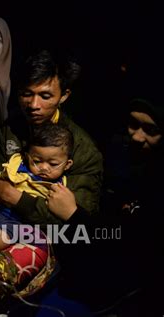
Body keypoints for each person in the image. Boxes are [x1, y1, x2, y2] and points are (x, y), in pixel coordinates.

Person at [0, 49, 103, 227]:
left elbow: (78, 221)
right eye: (26, 94)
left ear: (64, 96)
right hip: (0, 221)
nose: (33, 105)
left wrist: (13, 197)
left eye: (45, 96)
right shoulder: (12, 129)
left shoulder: (82, 149)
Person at [46, 94, 164, 315]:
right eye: (133, 124)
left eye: (151, 130)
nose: (137, 136)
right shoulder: (123, 153)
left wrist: (73, 214)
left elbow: (132, 245)